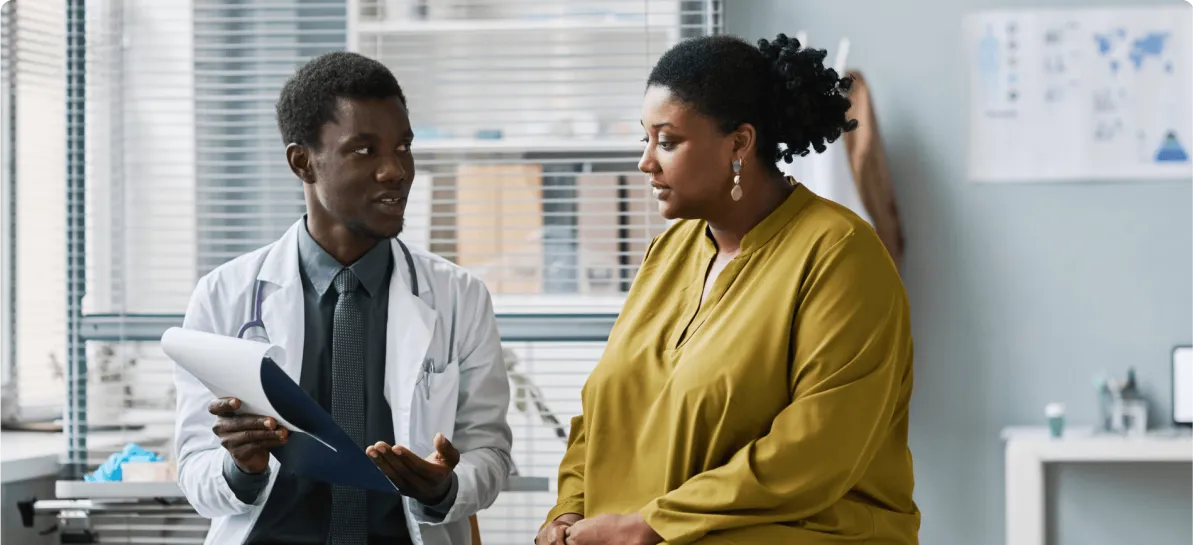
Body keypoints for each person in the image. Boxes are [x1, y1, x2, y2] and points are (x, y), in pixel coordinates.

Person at [537, 34, 919, 545]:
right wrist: (568, 513)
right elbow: (603, 412)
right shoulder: (668, 254)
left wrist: (652, 525)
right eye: (644, 140)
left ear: (739, 143)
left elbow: (816, 449)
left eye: (667, 142)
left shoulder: (841, 255)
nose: (646, 162)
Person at [173, 51, 514, 545]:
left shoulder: (459, 296)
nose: (396, 170)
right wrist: (240, 469)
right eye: (365, 150)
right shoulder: (224, 296)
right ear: (302, 162)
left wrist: (445, 488)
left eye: (404, 146)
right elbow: (195, 471)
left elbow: (490, 452)